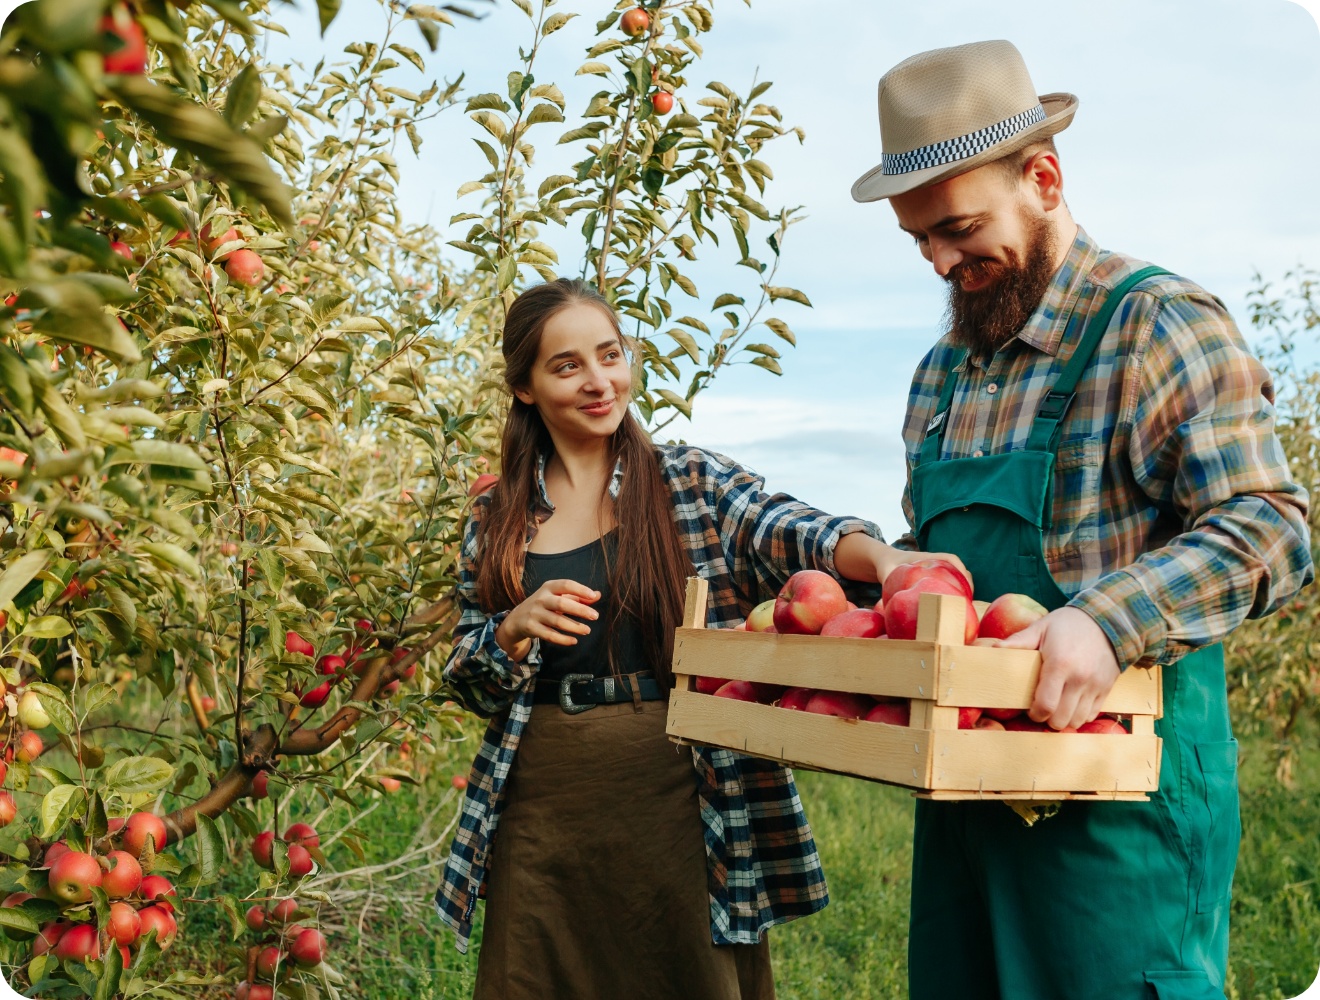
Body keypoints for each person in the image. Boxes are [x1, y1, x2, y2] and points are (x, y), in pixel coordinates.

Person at [850, 39, 1313, 1000]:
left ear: (1045, 178)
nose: (941, 261)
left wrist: (1109, 621)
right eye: (920, 240)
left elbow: (1272, 527)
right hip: (966, 811)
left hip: (1118, 812)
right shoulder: (941, 378)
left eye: (960, 228)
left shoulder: (1156, 326)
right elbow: (948, 577)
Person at [431, 278, 956, 999]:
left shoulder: (689, 482)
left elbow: (797, 534)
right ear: (524, 387)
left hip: (680, 791)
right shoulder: (497, 519)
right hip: (546, 801)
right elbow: (464, 676)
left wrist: (888, 561)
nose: (598, 381)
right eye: (567, 365)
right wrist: (511, 631)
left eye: (610, 355)